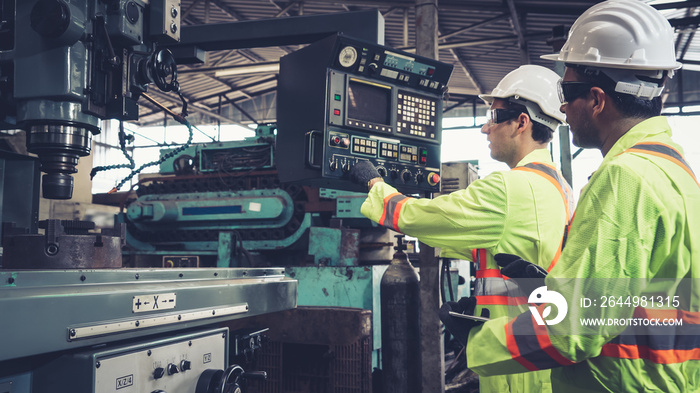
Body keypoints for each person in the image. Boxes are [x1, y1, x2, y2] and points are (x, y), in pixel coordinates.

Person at [458, 1, 700, 392]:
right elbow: (653, 296)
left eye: (567, 91)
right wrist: (558, 285)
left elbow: (574, 328)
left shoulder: (625, 178)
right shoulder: (677, 173)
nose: (563, 107)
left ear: (598, 99)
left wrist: (476, 342)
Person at [351, 64, 573, 392]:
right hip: (541, 354)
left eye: (494, 116)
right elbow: (512, 246)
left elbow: (416, 216)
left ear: (521, 122)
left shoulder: (509, 187)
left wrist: (375, 184)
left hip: (514, 366)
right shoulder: (560, 187)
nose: (486, 128)